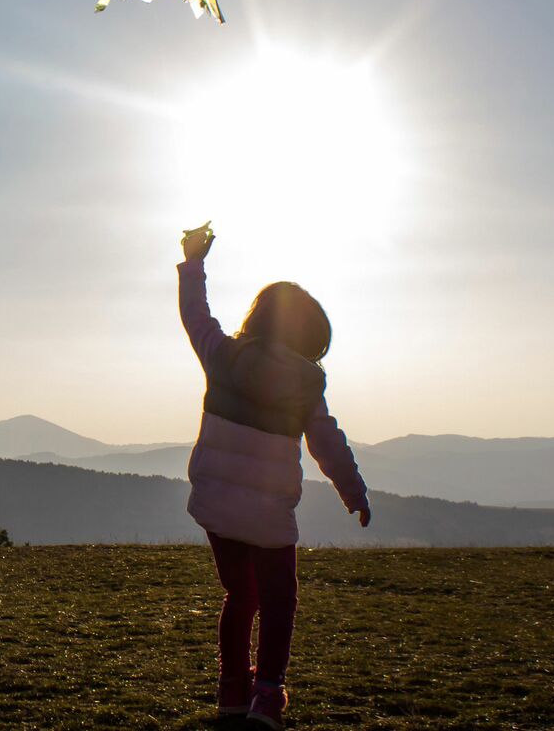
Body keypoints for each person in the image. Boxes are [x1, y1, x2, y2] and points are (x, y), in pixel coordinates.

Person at [177, 223, 369, 729]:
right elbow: (326, 441)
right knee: (279, 600)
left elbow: (195, 316)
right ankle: (267, 695)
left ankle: (231, 694)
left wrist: (193, 262)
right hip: (267, 512)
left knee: (240, 597)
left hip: (215, 506)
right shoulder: (306, 382)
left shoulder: (223, 355)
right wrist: (353, 492)